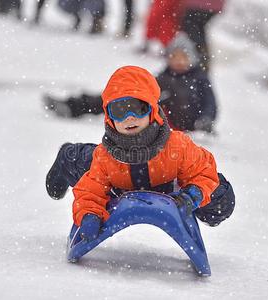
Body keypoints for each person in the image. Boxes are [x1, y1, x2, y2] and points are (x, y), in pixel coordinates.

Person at [45, 66, 235, 240]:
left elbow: (203, 170)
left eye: (138, 108)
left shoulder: (178, 146)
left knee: (220, 198)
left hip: (170, 188)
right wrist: (89, 215)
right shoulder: (104, 157)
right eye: (119, 110)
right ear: (109, 117)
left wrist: (194, 194)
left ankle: (209, 202)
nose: (129, 117)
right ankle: (67, 156)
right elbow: (90, 191)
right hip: (117, 182)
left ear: (152, 109)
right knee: (82, 162)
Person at [44, 34, 218, 133]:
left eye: (183, 57)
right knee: (120, 97)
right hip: (154, 119)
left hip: (185, 123)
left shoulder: (199, 79)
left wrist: (206, 120)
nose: (179, 61)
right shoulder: (163, 78)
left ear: (191, 59)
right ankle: (74, 105)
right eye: (175, 56)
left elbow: (210, 103)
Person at [181, 0, 226, 71]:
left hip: (200, 5)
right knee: (197, 31)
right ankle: (201, 61)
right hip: (208, 5)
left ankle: (200, 61)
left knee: (193, 30)